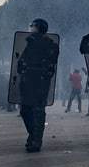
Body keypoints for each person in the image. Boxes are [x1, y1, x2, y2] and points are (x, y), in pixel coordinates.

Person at [17, 18, 59, 152]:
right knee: (25, 110)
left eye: (33, 26)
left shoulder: (50, 44)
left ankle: (36, 141)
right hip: (28, 80)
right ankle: (33, 135)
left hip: (40, 82)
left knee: (38, 111)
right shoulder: (30, 42)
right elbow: (21, 61)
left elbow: (51, 63)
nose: (30, 28)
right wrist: (22, 69)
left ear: (39, 27)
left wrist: (40, 72)